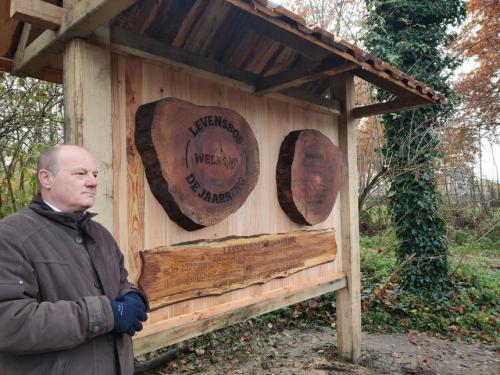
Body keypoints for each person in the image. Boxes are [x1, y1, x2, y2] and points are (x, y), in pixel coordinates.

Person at [0, 144, 149, 374]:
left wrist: (134, 297)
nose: (93, 182)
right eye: (80, 173)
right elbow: (10, 322)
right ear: (46, 178)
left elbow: (121, 283)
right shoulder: (11, 236)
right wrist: (107, 313)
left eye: (94, 174)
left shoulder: (100, 234)